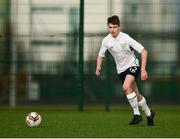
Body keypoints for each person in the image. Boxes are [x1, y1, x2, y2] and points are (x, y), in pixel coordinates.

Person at [95, 15, 155, 126]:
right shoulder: (106, 40)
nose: (112, 30)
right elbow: (100, 55)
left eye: (115, 27)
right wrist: (98, 66)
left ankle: (137, 115)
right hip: (121, 70)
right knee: (136, 95)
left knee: (126, 87)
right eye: (110, 27)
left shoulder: (126, 38)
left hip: (133, 66)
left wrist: (143, 70)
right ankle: (149, 114)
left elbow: (144, 52)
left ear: (119, 27)